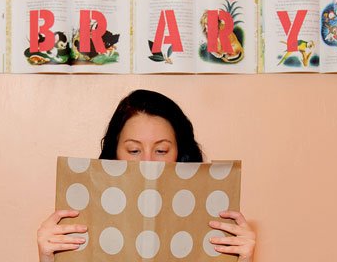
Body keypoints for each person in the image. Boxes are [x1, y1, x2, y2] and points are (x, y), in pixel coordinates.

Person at [37, 89, 256, 261]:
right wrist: (48, 258)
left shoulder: (211, 217)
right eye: (134, 151)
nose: (148, 163)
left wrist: (244, 259)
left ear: (180, 153)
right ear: (114, 153)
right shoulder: (82, 215)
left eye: (161, 150)